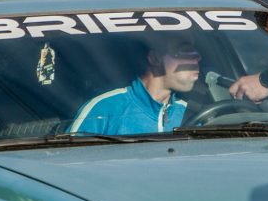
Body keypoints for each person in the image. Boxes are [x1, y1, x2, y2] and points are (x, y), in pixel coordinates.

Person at [70, 36, 201, 135]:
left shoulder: (192, 116)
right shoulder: (103, 109)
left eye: (196, 51)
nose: (197, 58)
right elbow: (70, 163)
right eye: (185, 50)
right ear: (155, 58)